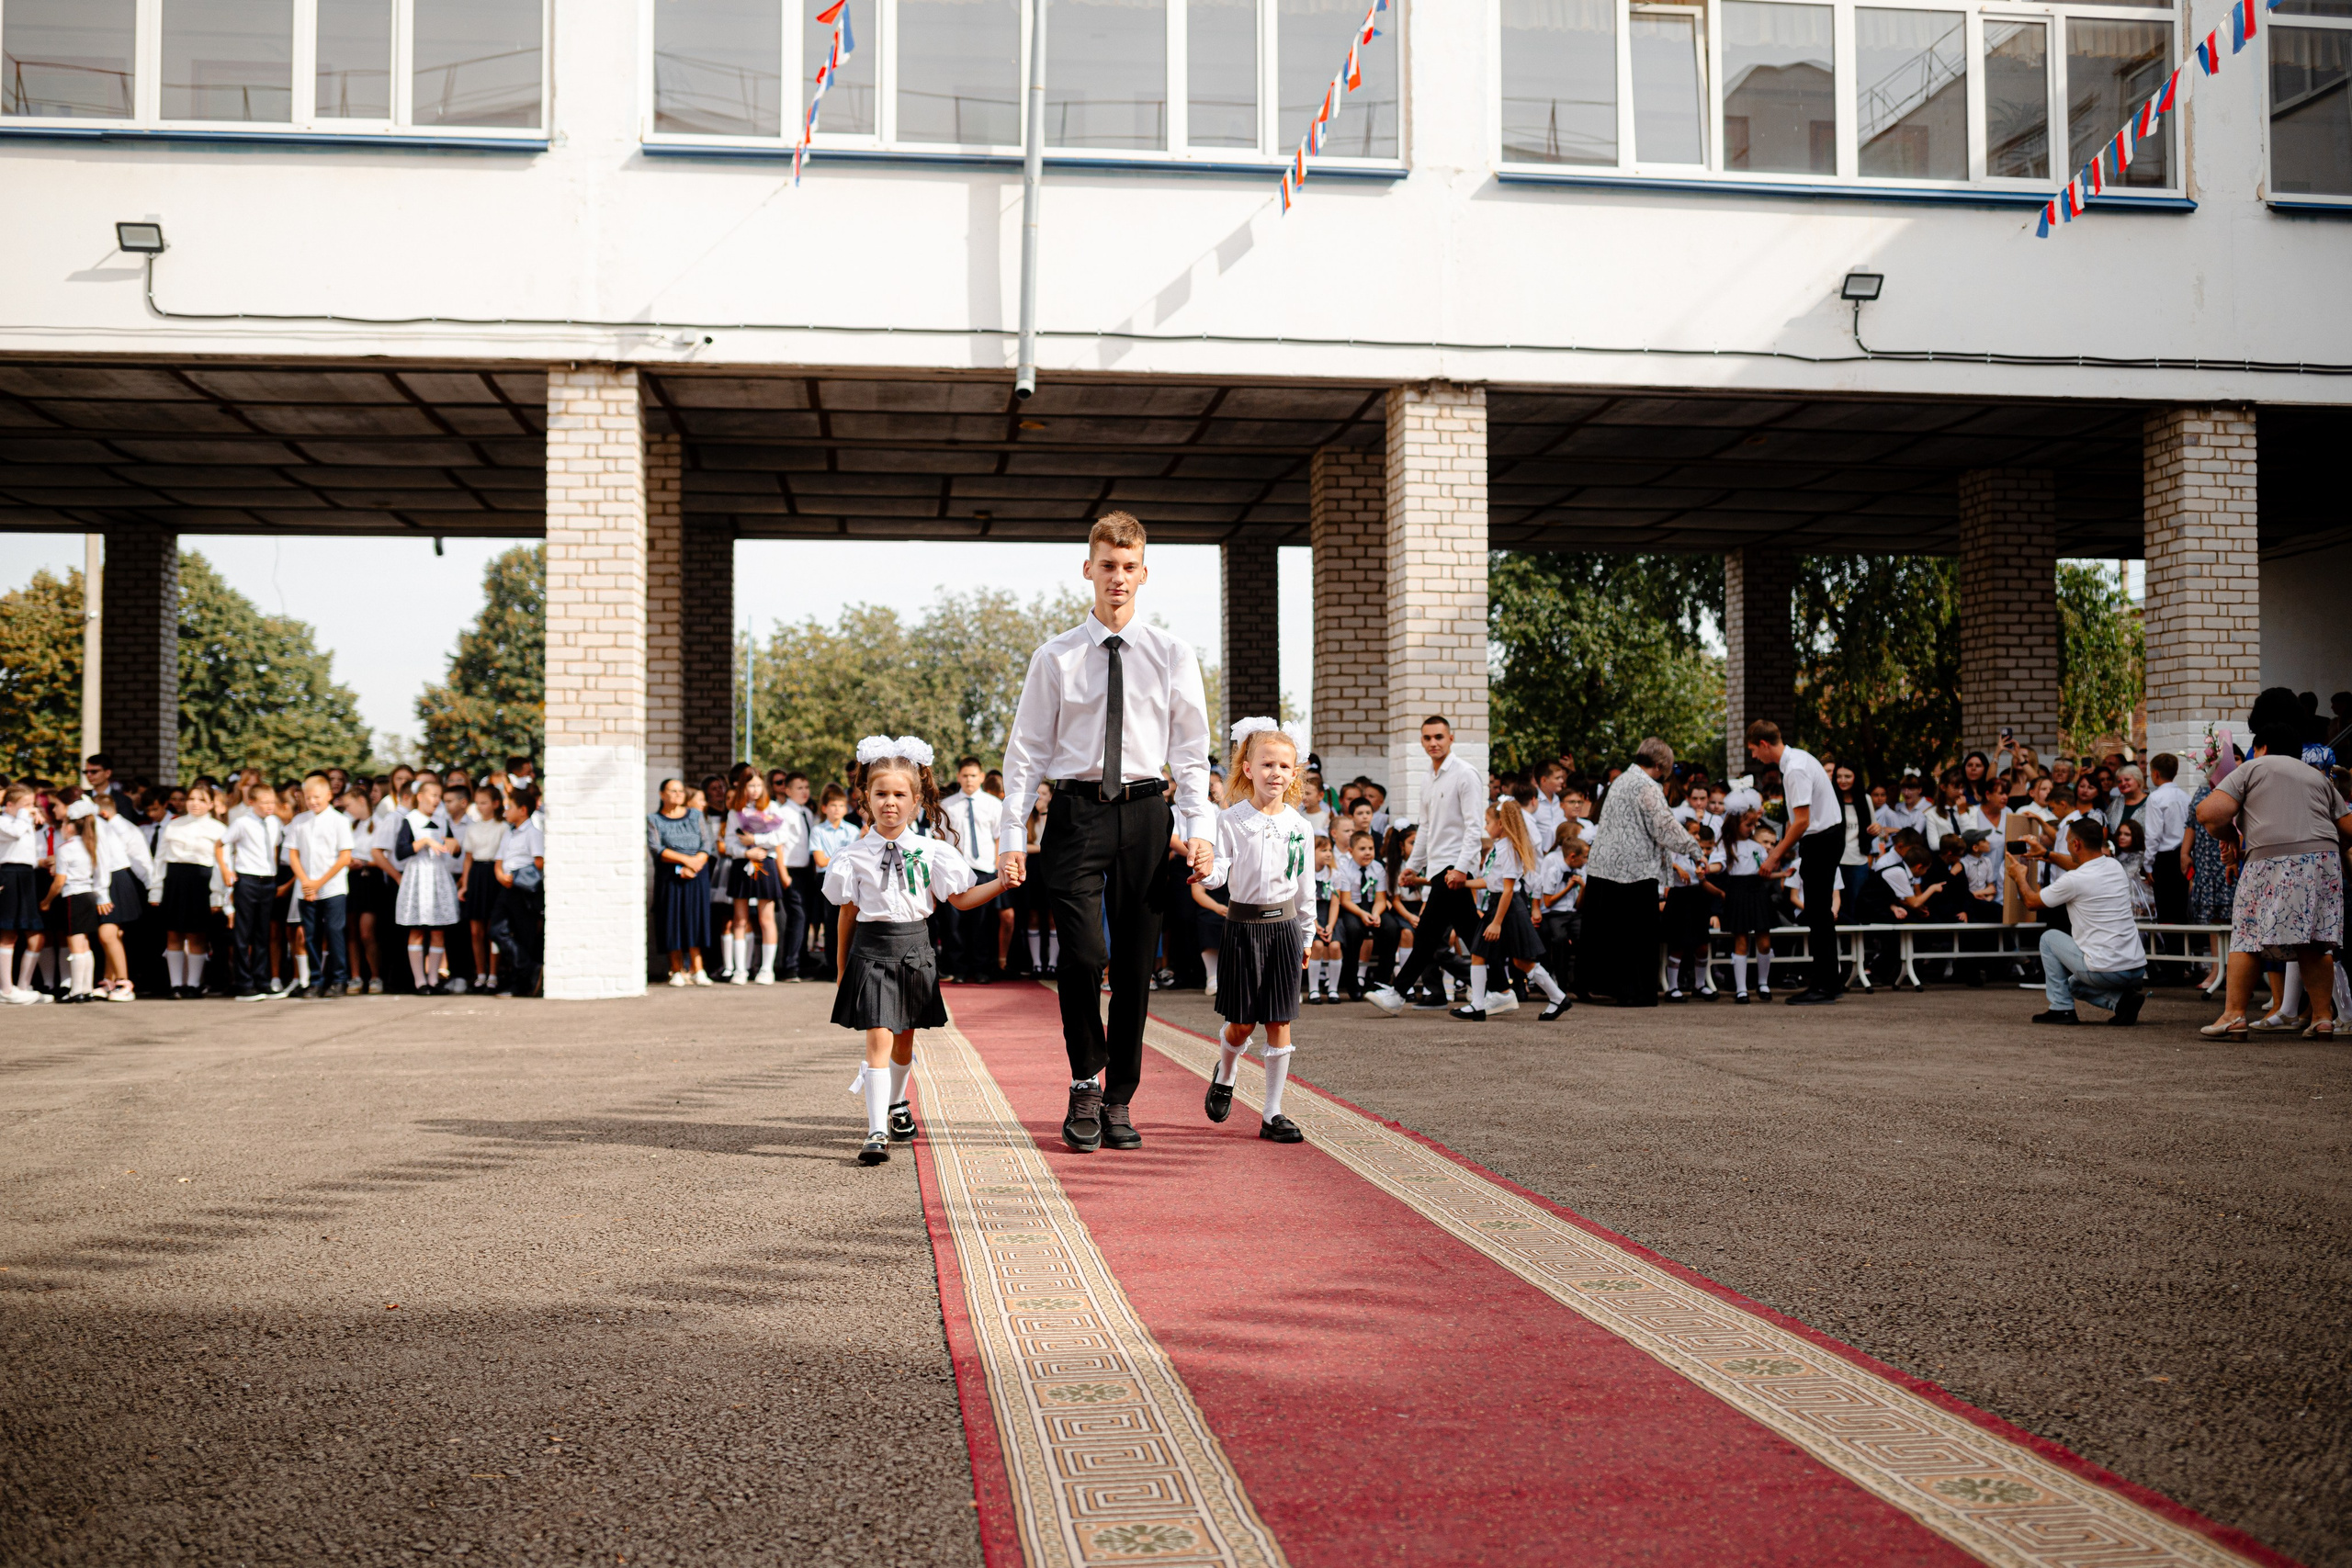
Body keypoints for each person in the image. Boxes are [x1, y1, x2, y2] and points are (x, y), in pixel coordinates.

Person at [997, 513, 1214, 1156]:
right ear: (1087, 569)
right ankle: (1084, 1079)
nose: (1118, 577)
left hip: (1147, 812)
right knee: (1085, 955)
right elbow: (1026, 751)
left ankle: (1118, 1096)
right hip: (1074, 814)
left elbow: (1193, 752)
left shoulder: (1173, 653)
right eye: (1107, 565)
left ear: (1144, 573)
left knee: (1135, 962)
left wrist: (1199, 826)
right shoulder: (1055, 654)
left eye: (1129, 566)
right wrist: (1013, 832)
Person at [825, 736, 1012, 1165]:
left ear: (916, 799)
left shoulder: (933, 853)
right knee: (877, 1035)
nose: (890, 802)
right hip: (871, 950)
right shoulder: (851, 857)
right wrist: (840, 969)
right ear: (865, 798)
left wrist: (1000, 882)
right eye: (880, 794)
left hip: (914, 949)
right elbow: (847, 914)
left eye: (899, 794)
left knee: (903, 1041)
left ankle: (895, 1102)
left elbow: (961, 899)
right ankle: (875, 1132)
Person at [2195, 724, 2352, 1039]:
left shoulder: (2254, 767)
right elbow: (2347, 828)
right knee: (2317, 941)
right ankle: (2322, 1017)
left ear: (2262, 747)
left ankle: (2234, 1015)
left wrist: (2230, 839)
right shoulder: (2317, 777)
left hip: (2271, 859)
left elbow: (2208, 813)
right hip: (2323, 860)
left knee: (2248, 936)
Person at [1200, 719, 1316, 1144]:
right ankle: (1226, 1072)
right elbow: (1221, 872)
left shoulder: (1300, 826)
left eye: (1284, 766)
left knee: (1280, 1020)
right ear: (1248, 768)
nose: (1276, 773)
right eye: (1267, 764)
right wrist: (1206, 871)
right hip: (1243, 928)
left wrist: (1307, 935)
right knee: (1242, 1025)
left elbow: (1305, 887)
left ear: (1294, 773)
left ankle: (1273, 1113)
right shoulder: (1230, 820)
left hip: (1284, 929)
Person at [1363, 716, 1487, 1016]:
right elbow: (1427, 828)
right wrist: (1414, 867)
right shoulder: (1427, 778)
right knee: (1471, 933)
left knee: (1427, 935)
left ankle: (1397, 993)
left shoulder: (1465, 774)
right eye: (1428, 738)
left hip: (1454, 869)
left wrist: (1461, 868)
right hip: (1438, 869)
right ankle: (1502, 988)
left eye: (1439, 737)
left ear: (1451, 738)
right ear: (1422, 741)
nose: (1433, 743)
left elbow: (1474, 827)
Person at [1569, 737, 1703, 1008]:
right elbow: (1664, 827)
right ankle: (1633, 990)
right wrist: (1694, 849)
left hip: (1603, 866)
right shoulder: (1647, 786)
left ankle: (1592, 985)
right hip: (1633, 870)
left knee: (1603, 930)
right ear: (1659, 764)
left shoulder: (1620, 781)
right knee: (1634, 934)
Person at [2007, 817, 2148, 1026]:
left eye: (2067, 841)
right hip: (2137, 969)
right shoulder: (2114, 865)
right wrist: (2046, 854)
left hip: (2105, 972)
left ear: (2076, 844)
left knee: (2048, 938)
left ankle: (2061, 1009)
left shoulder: (2073, 880)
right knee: (2073, 985)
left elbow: (2031, 902)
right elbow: (2078, 864)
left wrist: (2019, 876)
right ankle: (2122, 1003)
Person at [1748, 722, 1846, 1005]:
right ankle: (1830, 982)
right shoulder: (1797, 760)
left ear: (1764, 745)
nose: (1755, 757)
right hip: (1822, 838)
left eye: (1754, 750)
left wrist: (1774, 855)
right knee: (1819, 912)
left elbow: (1803, 821)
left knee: (1818, 913)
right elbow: (1798, 818)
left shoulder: (1795, 768)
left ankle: (1825, 986)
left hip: (1823, 839)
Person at [1457, 798, 1572, 1021]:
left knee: (1522, 961)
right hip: (1498, 905)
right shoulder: (1499, 847)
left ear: (1500, 823)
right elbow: (1492, 882)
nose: (1485, 826)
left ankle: (1558, 997)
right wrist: (1463, 883)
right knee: (1479, 953)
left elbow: (1508, 890)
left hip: (1508, 908)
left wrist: (1497, 922)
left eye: (1488, 822)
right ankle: (1478, 1006)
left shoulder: (1508, 849)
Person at [155, 780, 232, 998]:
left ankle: (193, 984)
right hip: (175, 880)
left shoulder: (219, 829)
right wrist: (156, 890)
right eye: (191, 799)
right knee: (174, 933)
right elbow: (160, 859)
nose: (195, 804)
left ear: (211, 804)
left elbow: (221, 865)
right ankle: (176, 985)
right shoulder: (173, 824)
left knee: (197, 935)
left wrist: (218, 897)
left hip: (201, 882)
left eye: (201, 800)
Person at [393, 774, 463, 994]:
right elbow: (400, 852)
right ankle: (419, 981)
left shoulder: (443, 821)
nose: (436, 800)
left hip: (438, 877)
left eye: (439, 797)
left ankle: (433, 979)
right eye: (433, 795)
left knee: (438, 930)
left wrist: (454, 845)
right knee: (417, 929)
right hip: (418, 876)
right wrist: (423, 841)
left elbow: (453, 849)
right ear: (420, 796)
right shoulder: (410, 819)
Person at [939, 756, 1007, 983]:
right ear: (958, 777)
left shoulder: (993, 805)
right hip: (956, 870)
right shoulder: (947, 806)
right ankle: (958, 969)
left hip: (985, 870)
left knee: (984, 923)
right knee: (955, 924)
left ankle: (982, 970)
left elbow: (1000, 837)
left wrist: (998, 866)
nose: (969, 780)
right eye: (965, 775)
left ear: (981, 777)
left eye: (973, 775)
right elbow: (940, 838)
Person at [725, 772, 797, 986]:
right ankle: (740, 970)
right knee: (740, 919)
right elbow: (729, 842)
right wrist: (746, 852)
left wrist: (756, 840)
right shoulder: (735, 812)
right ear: (742, 788)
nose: (754, 790)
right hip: (743, 864)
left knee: (766, 918)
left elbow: (781, 836)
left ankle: (766, 969)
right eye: (750, 786)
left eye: (758, 785)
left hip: (766, 863)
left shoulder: (772, 808)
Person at [288, 773, 355, 1000]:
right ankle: (315, 980)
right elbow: (293, 855)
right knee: (311, 935)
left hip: (333, 887)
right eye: (308, 797)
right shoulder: (299, 821)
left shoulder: (340, 820)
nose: (312, 801)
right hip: (306, 888)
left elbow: (345, 857)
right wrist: (306, 882)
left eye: (316, 796)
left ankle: (339, 979)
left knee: (334, 932)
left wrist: (319, 882)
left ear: (328, 795)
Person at [650, 778, 714, 987]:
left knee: (696, 919)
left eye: (680, 791)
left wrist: (696, 863)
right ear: (662, 794)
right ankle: (676, 969)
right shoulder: (654, 819)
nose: (677, 794)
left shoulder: (695, 815)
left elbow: (706, 843)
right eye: (672, 791)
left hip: (697, 873)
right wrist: (685, 862)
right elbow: (656, 848)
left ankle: (698, 968)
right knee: (672, 919)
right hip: (670, 875)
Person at [226, 782, 282, 1002]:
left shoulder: (275, 822)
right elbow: (221, 844)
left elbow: (274, 848)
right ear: (252, 802)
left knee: (263, 933)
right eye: (264, 802)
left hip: (267, 880)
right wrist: (225, 870)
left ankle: (262, 980)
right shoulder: (242, 822)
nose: (270, 806)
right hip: (247, 879)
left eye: (272, 802)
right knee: (244, 933)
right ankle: (243, 983)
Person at [489, 787, 545, 998]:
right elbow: (499, 861)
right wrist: (501, 875)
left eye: (509, 807)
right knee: (496, 930)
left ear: (523, 810)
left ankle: (520, 984)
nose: (505, 811)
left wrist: (518, 875)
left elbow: (539, 862)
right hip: (506, 887)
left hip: (524, 890)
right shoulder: (508, 833)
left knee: (524, 936)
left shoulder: (533, 834)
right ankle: (530, 967)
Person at [1718, 791, 1773, 1002]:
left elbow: (1763, 871)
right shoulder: (1725, 846)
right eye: (1748, 824)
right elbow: (1717, 863)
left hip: (1757, 891)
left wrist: (1779, 872)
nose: (1752, 829)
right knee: (1741, 940)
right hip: (1738, 892)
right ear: (1735, 823)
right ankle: (1741, 988)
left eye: (1754, 825)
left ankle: (1763, 983)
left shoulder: (1757, 847)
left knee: (1764, 941)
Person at [49, 798, 104, 1001]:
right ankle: (86, 988)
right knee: (85, 944)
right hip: (89, 894)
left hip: (74, 896)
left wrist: (46, 901)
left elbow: (59, 882)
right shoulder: (91, 844)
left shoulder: (66, 848)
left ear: (71, 826)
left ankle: (76, 990)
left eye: (64, 823)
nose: (62, 827)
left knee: (75, 944)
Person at [0, 783, 51, 1004]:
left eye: (33, 804)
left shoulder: (26, 820)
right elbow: (16, 832)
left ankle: (22, 987)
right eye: (25, 805)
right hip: (9, 875)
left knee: (35, 934)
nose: (31, 809)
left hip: (27, 876)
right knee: (8, 933)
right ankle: (6, 990)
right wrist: (25, 815)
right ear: (9, 805)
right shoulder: (4, 821)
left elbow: (29, 853)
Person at [808, 783, 859, 980]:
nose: (837, 810)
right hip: (826, 878)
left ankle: (850, 964)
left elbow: (855, 858)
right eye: (832, 806)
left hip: (849, 878)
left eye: (840, 806)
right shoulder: (818, 831)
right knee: (830, 924)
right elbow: (820, 861)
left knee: (850, 921)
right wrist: (843, 856)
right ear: (824, 808)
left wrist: (836, 857)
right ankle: (832, 966)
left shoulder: (853, 830)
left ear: (846, 808)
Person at [344, 787, 385, 996]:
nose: (347, 810)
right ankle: (355, 976)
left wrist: (365, 862)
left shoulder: (380, 823)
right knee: (351, 931)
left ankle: (376, 976)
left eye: (350, 805)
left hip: (371, 879)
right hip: (350, 879)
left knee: (366, 931)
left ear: (361, 800)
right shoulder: (349, 825)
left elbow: (385, 857)